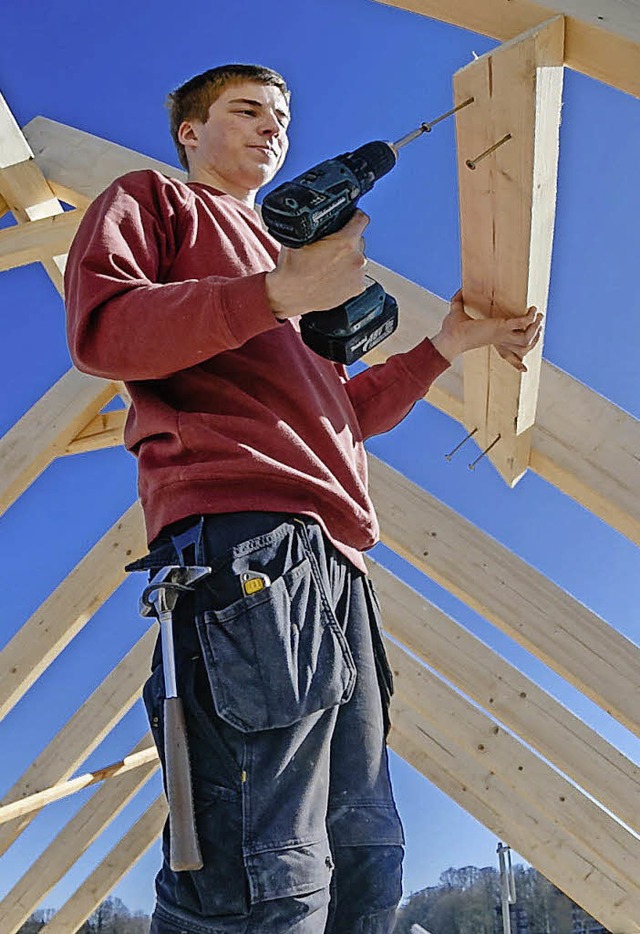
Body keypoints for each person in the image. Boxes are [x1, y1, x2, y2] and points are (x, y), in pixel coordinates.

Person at [64, 64, 542, 934]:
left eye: (281, 117)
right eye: (246, 111)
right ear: (190, 132)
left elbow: (342, 416)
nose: (270, 128)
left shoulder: (294, 276)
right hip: (244, 554)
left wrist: (446, 344)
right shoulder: (158, 203)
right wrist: (274, 294)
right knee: (263, 869)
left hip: (335, 567)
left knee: (362, 860)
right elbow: (103, 330)